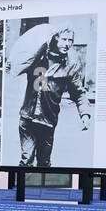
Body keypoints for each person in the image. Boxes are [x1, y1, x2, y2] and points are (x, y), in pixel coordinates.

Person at [10, 24, 90, 168]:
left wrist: (85, 114)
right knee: (26, 160)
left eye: (70, 40)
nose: (67, 44)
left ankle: (40, 189)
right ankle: (20, 188)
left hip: (48, 121)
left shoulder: (71, 65)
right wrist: (13, 63)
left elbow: (78, 93)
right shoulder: (38, 56)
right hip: (28, 118)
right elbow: (18, 66)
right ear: (56, 38)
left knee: (44, 163)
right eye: (64, 39)